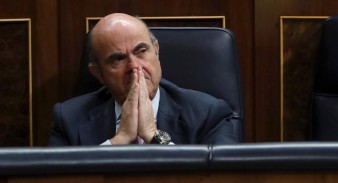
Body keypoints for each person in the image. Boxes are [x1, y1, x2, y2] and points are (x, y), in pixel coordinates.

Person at [48, 13, 239, 145]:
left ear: (156, 50)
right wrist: (119, 140)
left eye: (142, 51)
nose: (134, 66)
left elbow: (223, 182)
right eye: (118, 59)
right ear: (98, 74)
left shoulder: (207, 113)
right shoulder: (69, 118)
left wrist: (152, 134)